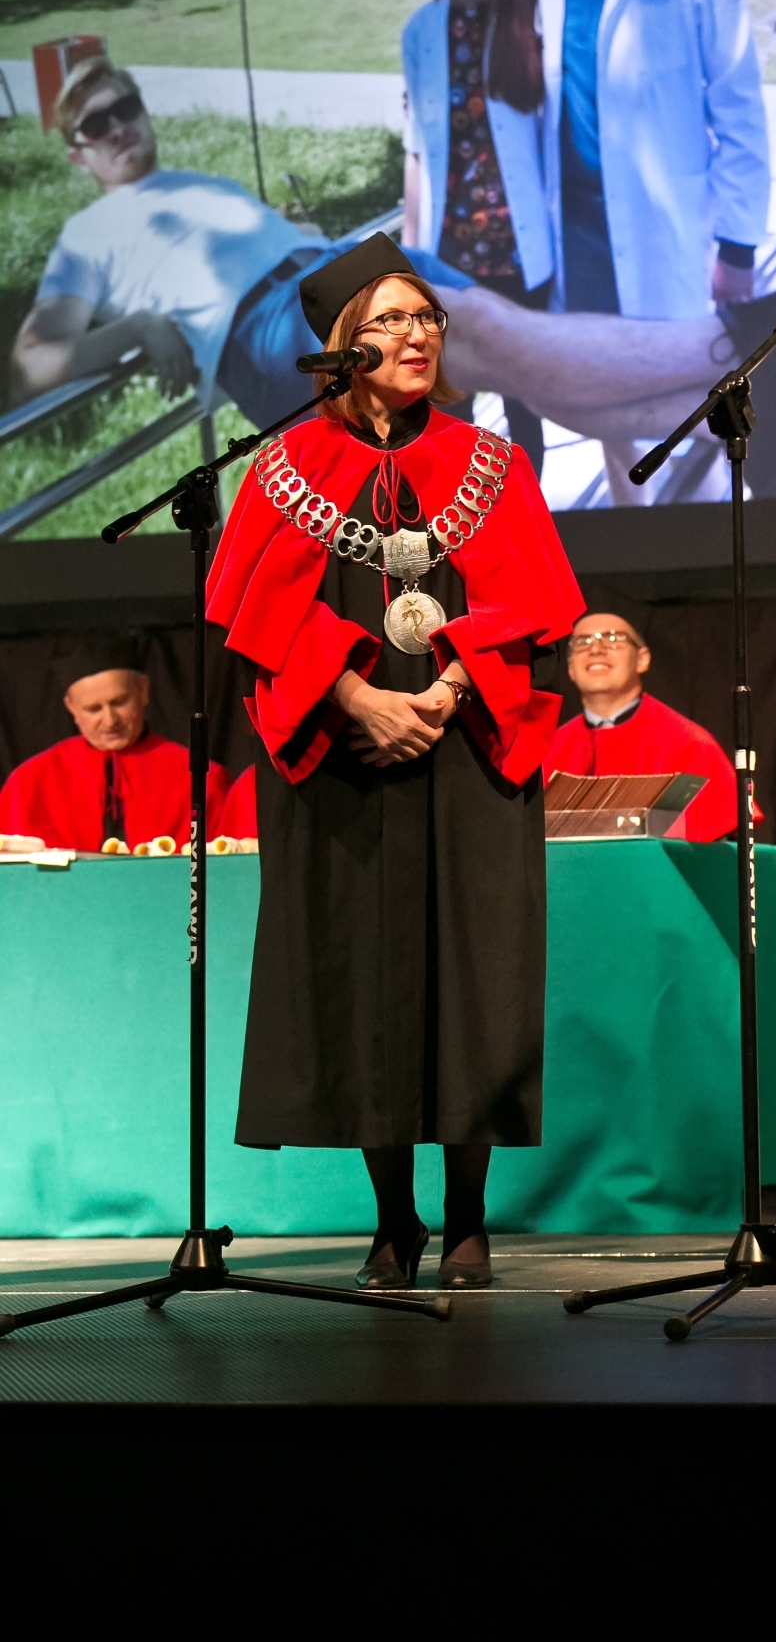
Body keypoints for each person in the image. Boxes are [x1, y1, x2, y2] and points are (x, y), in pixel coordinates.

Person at [206, 235, 583, 1291]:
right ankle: (392, 1219)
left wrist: (446, 691)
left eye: (427, 319)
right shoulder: (284, 467)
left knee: (472, 978)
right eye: (391, 321)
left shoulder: (490, 463)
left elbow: (531, 605)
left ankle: (466, 1217)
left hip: (469, 749)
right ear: (343, 346)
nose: (418, 336)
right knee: (362, 977)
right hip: (343, 752)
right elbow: (254, 614)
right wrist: (357, 697)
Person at [12, 55, 776, 501]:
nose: (117, 127)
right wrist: (139, 331)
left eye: (126, 106)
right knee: (491, 336)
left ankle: (766, 411)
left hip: (330, 266)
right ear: (75, 152)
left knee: (522, 353)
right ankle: (753, 335)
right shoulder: (88, 234)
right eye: (95, 123)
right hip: (272, 327)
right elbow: (35, 359)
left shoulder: (191, 182)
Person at [533, 0, 771, 501]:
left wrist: (737, 247)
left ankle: (725, 515)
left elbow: (737, 102)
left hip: (664, 227)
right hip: (577, 230)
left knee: (697, 393)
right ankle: (629, 513)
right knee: (605, 390)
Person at [402, 0, 552, 473]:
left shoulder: (534, 14)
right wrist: (408, 259)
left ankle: (527, 521)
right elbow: (416, 147)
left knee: (525, 411)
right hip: (451, 262)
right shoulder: (421, 31)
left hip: (522, 256)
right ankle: (465, 527)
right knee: (452, 415)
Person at [0, 641, 228, 853]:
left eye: (119, 702)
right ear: (71, 707)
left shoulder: (202, 778)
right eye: (93, 709)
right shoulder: (29, 783)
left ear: (144, 690)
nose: (110, 721)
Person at [545, 612, 741, 843]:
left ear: (642, 659)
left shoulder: (688, 743)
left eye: (613, 638)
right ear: (570, 667)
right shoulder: (546, 750)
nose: (596, 649)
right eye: (582, 642)